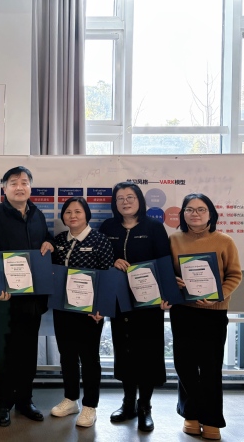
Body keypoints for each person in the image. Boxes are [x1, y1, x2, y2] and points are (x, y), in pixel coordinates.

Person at [0, 166, 54, 428]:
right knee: (3, 353)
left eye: (24, 182)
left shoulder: (37, 215)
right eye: (13, 183)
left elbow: (44, 240)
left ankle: (24, 400)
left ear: (30, 187)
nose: (19, 187)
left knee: (28, 352)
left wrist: (49, 242)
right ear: (4, 188)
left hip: (33, 299)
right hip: (4, 299)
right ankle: (2, 404)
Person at [167, 193, 241, 441]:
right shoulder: (174, 239)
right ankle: (191, 414)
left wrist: (218, 296)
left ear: (210, 213)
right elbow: (167, 273)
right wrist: (173, 281)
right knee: (184, 366)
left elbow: (234, 275)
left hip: (213, 313)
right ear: (183, 214)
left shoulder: (224, 241)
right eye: (189, 209)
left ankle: (210, 419)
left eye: (201, 209)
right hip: (183, 312)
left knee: (210, 368)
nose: (195, 214)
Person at [99, 182, 171, 432]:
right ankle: (128, 403)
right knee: (125, 350)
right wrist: (112, 260)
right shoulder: (107, 227)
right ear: (115, 203)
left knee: (148, 352)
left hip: (149, 301)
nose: (125, 202)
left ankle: (145, 407)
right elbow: (99, 259)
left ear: (140, 200)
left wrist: (167, 295)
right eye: (120, 198)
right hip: (120, 300)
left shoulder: (154, 227)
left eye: (130, 197)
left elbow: (164, 262)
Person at [49, 197, 113, 428]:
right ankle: (71, 399)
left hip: (89, 311)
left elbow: (107, 275)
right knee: (66, 354)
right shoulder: (59, 240)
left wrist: (102, 307)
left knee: (89, 357)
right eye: (68, 212)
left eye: (78, 211)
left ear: (86, 214)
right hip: (62, 308)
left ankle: (90, 405)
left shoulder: (100, 240)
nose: (73, 216)